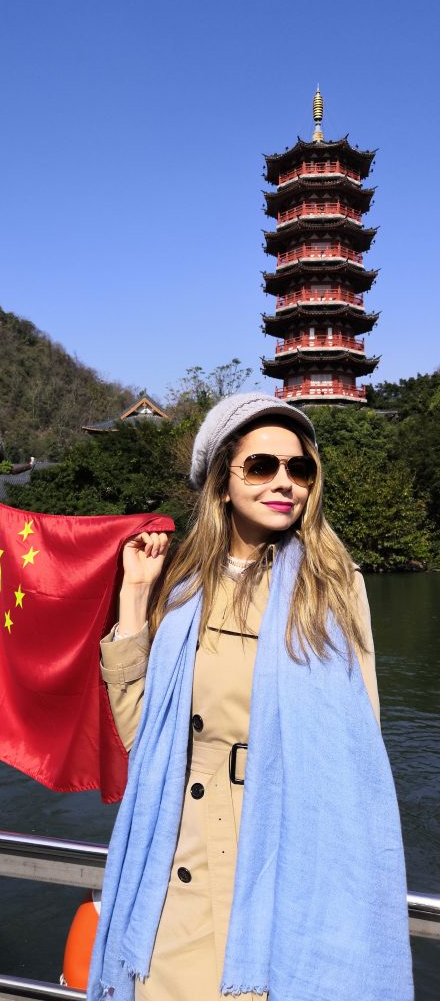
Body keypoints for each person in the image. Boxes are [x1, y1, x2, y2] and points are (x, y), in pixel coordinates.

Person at [88, 393, 413, 1001]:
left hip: (285, 852)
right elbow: (141, 734)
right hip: (179, 853)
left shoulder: (334, 590)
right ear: (221, 483)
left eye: (300, 469)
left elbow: (359, 743)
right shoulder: (183, 590)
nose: (283, 482)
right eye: (262, 466)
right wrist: (135, 597)